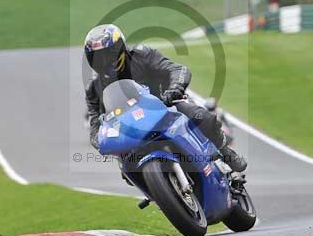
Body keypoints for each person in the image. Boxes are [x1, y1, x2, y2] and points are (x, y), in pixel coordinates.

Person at [84, 24, 247, 182]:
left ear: (119, 49)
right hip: (131, 129)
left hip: (165, 106)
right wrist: (100, 141)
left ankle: (225, 151)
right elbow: (94, 123)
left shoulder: (142, 55)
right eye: (98, 58)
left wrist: (175, 88)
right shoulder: (93, 88)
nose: (105, 61)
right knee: (126, 170)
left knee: (202, 117)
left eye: (108, 54)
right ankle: (158, 192)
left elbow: (177, 69)